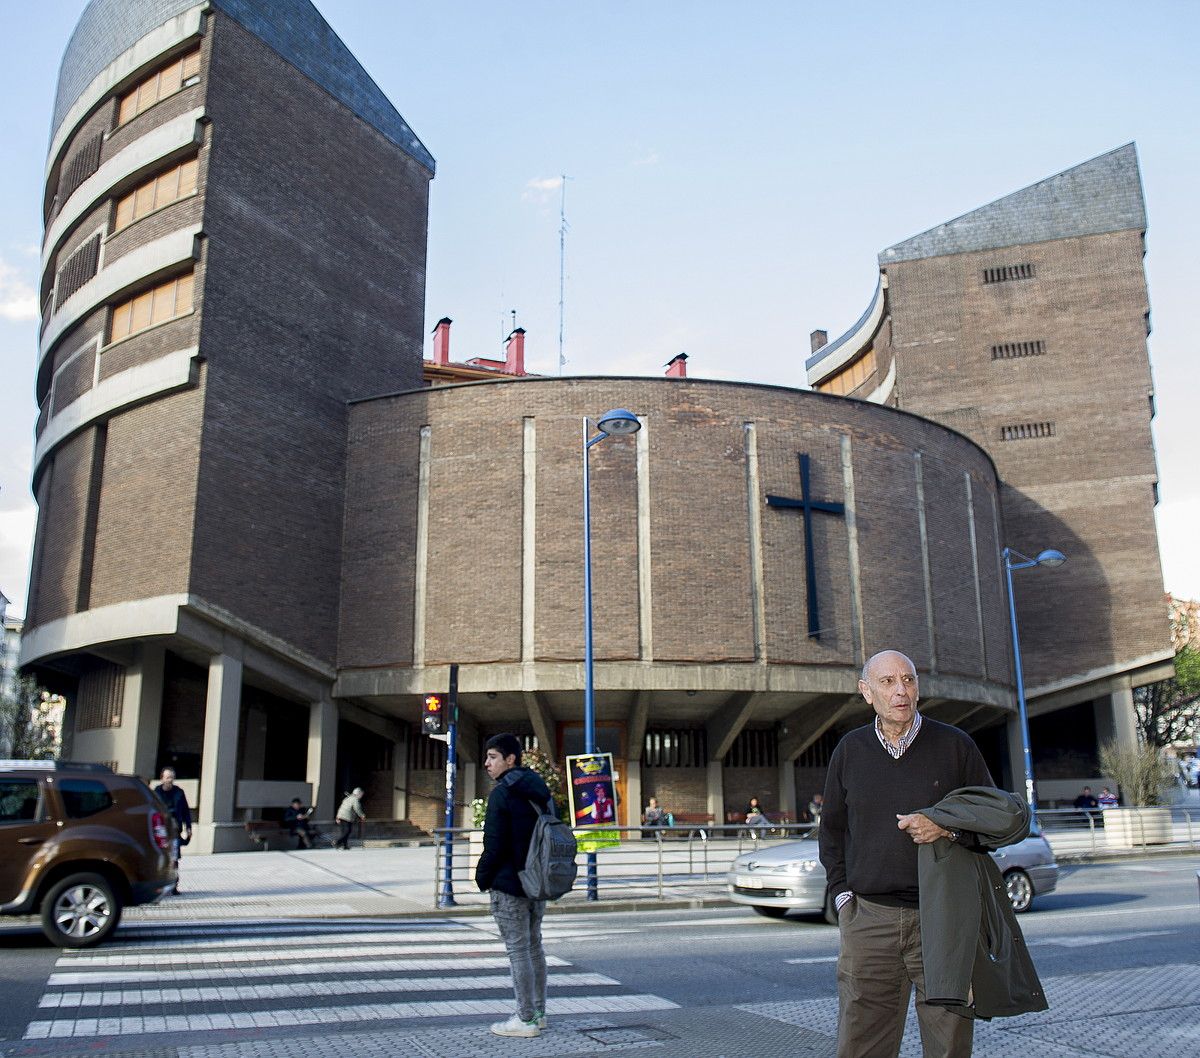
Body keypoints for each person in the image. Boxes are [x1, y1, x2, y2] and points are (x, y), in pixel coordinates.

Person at [819, 649, 994, 1058]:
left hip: (944, 921)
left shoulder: (956, 746)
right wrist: (843, 898)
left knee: (948, 1044)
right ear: (867, 692)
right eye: (888, 682)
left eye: (909, 680)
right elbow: (832, 832)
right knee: (862, 1045)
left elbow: (994, 822)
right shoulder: (850, 750)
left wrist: (946, 828)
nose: (902, 691)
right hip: (870, 921)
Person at [475, 733, 552, 1038]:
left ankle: (526, 1018)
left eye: (493, 757)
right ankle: (540, 1012)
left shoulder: (502, 793)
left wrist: (482, 878)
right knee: (534, 946)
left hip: (509, 884)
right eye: (487, 757)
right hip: (536, 881)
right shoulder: (539, 788)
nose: (487, 763)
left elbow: (493, 845)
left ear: (510, 759)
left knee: (518, 949)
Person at [154, 767, 192, 895]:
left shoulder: (179, 793)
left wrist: (188, 827)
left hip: (174, 829)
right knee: (160, 857)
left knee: (174, 858)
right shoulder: (156, 793)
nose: (169, 780)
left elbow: (186, 811)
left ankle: (174, 885)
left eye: (171, 777)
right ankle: (159, 885)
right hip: (160, 830)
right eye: (167, 777)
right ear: (162, 778)